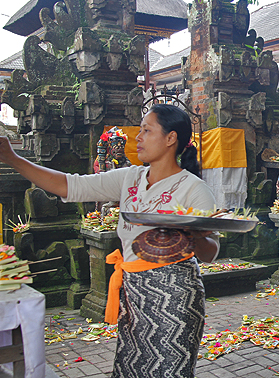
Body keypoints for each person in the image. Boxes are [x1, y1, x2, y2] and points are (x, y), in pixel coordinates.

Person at [0, 104, 219, 378]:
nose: (137, 137)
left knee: (168, 370)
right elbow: (69, 185)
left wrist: (193, 235)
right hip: (133, 294)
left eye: (146, 131)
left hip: (175, 297)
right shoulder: (131, 178)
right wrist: (13, 158)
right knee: (130, 369)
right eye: (139, 130)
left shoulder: (194, 189)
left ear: (170, 138)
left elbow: (211, 252)